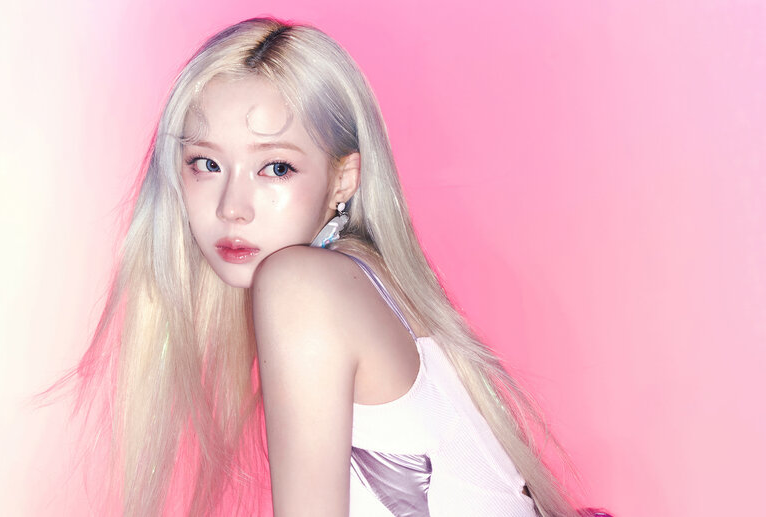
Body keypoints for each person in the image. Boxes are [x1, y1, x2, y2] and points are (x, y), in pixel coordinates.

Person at [46, 17, 611, 517]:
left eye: (276, 168)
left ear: (344, 178)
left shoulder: (302, 285)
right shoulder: (363, 283)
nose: (232, 207)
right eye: (207, 163)